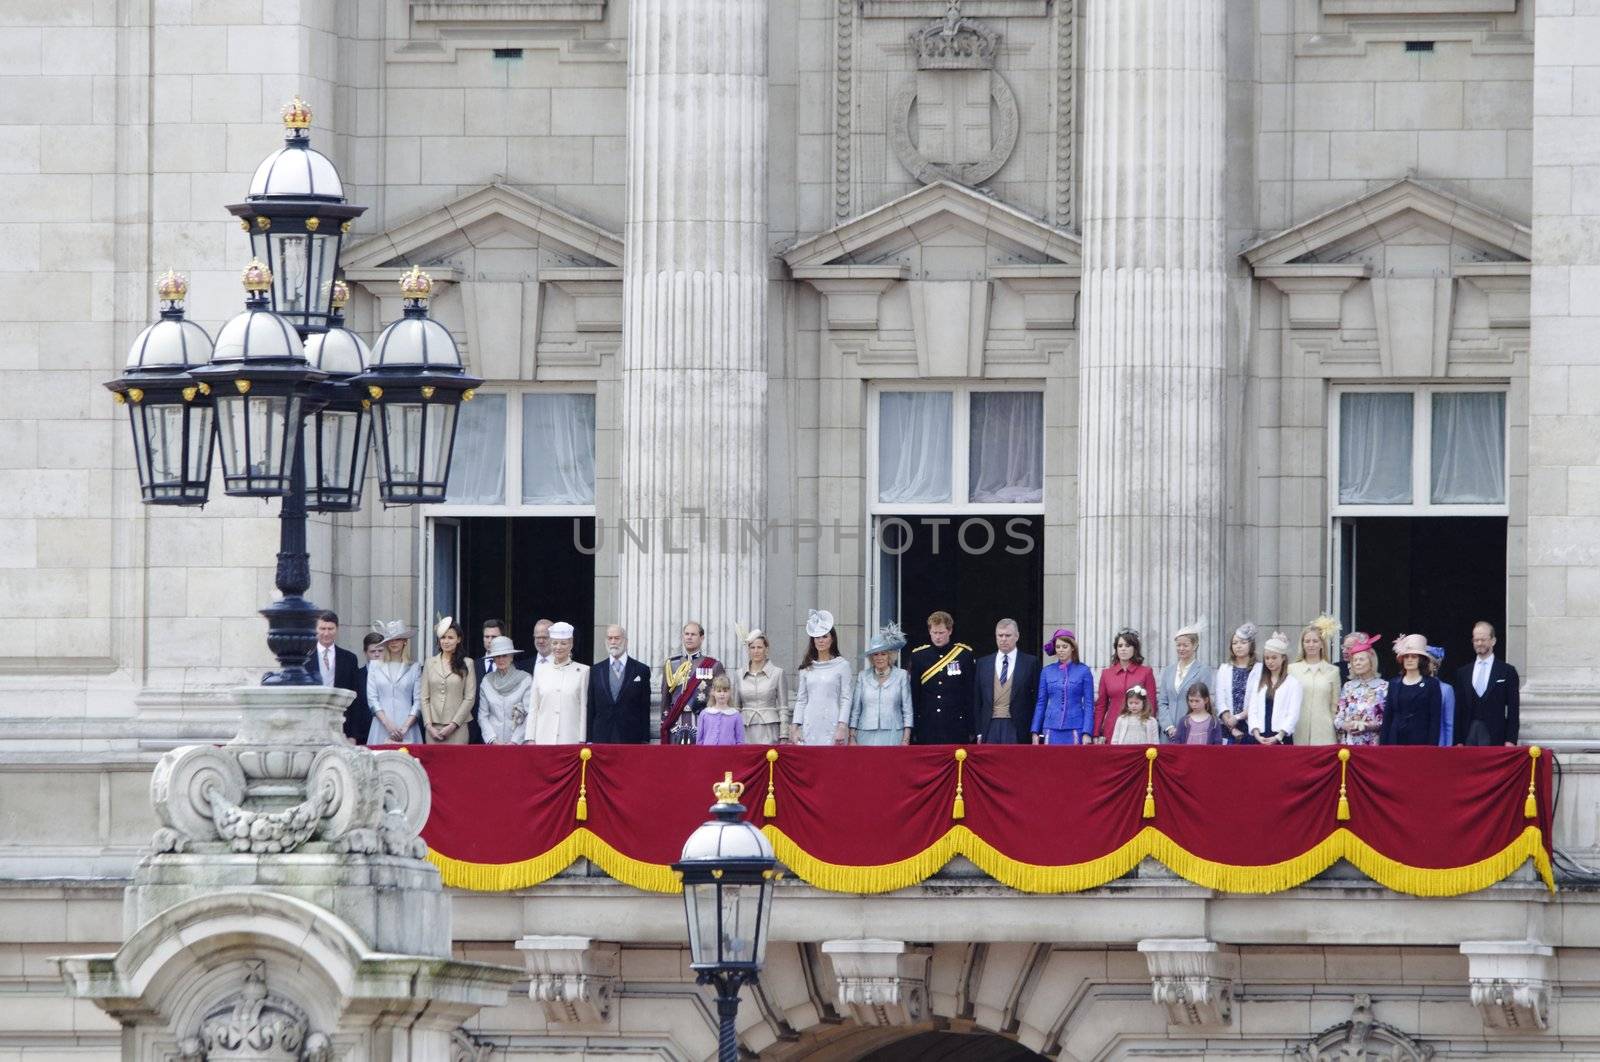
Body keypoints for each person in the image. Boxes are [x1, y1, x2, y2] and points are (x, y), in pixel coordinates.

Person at [908, 611, 977, 744]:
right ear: (929, 631)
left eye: (941, 633)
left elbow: (970, 694)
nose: (937, 637)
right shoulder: (919, 656)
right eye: (934, 633)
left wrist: (971, 727)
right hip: (928, 724)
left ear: (950, 631)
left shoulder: (963, 655)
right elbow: (915, 695)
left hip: (956, 724)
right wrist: (914, 728)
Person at [792, 610, 853, 746]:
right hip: (810, 723)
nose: (820, 640)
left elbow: (846, 698)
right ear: (813, 640)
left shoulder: (842, 665)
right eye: (817, 637)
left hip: (833, 723)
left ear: (832, 639)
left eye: (824, 636)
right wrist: (795, 726)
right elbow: (801, 700)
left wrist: (842, 726)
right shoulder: (806, 668)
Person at [1454, 621, 1520, 746]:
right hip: (1468, 735)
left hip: (1496, 736)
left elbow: (1513, 709)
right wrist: (1458, 740)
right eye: (1476, 640)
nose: (1479, 643)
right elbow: (1459, 709)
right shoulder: (1463, 673)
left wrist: (1511, 740)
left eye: (1483, 639)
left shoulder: (1507, 671)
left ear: (1493, 641)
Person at [975, 618, 1040, 745]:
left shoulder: (1030, 663)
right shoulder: (983, 663)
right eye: (1000, 635)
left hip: (1018, 726)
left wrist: (1035, 730)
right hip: (989, 726)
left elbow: (1037, 699)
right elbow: (977, 700)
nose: (1003, 639)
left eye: (1008, 635)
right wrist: (978, 731)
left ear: (1017, 636)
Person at [660, 621, 725, 744]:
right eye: (687, 634)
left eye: (693, 634)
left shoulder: (713, 665)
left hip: (702, 720)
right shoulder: (671, 664)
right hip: (676, 721)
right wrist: (665, 721)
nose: (689, 637)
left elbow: (721, 697)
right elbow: (665, 697)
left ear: (702, 638)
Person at [306, 610, 366, 744]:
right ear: (316, 629)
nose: (326, 633)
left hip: (342, 725)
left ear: (337, 629)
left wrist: (353, 735)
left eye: (330, 629)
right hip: (312, 726)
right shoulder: (304, 659)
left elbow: (355, 699)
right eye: (322, 628)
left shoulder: (349, 659)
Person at [850, 622, 913, 746]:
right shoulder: (863, 676)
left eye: (883, 654)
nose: (879, 658)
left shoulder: (902, 676)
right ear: (871, 657)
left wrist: (906, 738)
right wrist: (852, 736)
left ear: (890, 656)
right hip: (865, 734)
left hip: (894, 733)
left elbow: (907, 709)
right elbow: (856, 709)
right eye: (875, 654)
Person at [587, 624, 652, 744]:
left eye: (617, 638)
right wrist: (589, 739)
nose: (613, 642)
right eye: (609, 638)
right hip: (601, 736)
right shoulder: (595, 670)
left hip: (631, 737)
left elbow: (645, 707)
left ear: (625, 642)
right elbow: (591, 707)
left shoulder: (641, 670)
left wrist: (645, 739)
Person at [528, 621, 589, 744]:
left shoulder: (583, 671)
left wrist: (582, 739)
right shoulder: (540, 670)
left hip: (570, 738)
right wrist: (530, 738)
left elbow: (583, 708)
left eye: (563, 643)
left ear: (571, 644)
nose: (558, 647)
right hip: (543, 739)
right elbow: (534, 707)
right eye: (555, 643)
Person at [1032, 629, 1095, 745]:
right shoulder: (1047, 671)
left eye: (1064, 647)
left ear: (1072, 647)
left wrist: (1087, 732)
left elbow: (1089, 704)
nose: (1061, 650)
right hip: (1051, 728)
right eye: (1058, 647)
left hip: (1076, 728)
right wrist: (1035, 730)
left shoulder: (1084, 671)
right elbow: (1041, 702)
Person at [1093, 629, 1157, 743]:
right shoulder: (1106, 674)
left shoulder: (1146, 672)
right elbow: (1101, 706)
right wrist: (1096, 732)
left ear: (1135, 648)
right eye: (1120, 645)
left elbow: (1151, 704)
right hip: (1112, 728)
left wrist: (1149, 730)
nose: (1123, 649)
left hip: (1139, 729)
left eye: (1127, 645)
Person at [420, 618, 476, 745]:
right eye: (443, 637)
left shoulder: (468, 663)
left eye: (450, 637)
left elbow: (469, 698)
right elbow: (424, 697)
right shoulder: (429, 663)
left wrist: (453, 725)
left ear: (459, 639)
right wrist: (428, 725)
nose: (446, 641)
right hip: (433, 728)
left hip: (457, 728)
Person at [365, 620, 421, 745]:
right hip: (381, 725)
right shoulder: (375, 666)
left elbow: (418, 700)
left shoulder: (414, 667)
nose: (394, 642)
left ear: (405, 641)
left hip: (407, 726)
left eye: (398, 639)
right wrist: (387, 724)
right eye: (390, 639)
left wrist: (405, 727)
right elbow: (372, 699)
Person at [1382, 634, 1442, 746]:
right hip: (1395, 740)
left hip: (1421, 741)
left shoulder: (1432, 684)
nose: (1409, 660)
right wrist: (1383, 746)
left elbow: (1435, 719)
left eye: (1414, 657)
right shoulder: (1394, 683)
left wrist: (1432, 747)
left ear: (1421, 660)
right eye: (1406, 656)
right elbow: (1388, 717)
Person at [1289, 616, 1341, 747]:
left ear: (1322, 644)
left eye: (1315, 641)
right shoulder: (1292, 669)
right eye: (1307, 641)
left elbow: (1335, 705)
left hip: (1324, 731)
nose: (1311, 645)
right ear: (1302, 644)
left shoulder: (1333, 671)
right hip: (1298, 729)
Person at [1156, 622, 1210, 742]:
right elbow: (1163, 702)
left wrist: (1187, 725)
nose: (1181, 649)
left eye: (1185, 645)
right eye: (1178, 645)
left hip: (1192, 731)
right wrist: (1168, 727)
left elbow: (1204, 702)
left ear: (1195, 645)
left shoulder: (1203, 670)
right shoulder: (1169, 670)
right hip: (1168, 734)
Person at [1246, 632, 1302, 745]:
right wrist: (1256, 734)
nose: (1270, 661)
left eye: (1274, 658)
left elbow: (1293, 714)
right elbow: (1252, 710)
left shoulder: (1293, 683)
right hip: (1259, 737)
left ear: (1283, 658)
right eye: (1267, 658)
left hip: (1281, 738)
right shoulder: (1258, 682)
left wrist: (1279, 736)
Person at [735, 629, 788, 745]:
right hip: (745, 730)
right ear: (748, 650)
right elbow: (736, 708)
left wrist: (784, 734)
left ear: (766, 649)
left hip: (770, 729)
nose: (756, 651)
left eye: (759, 647)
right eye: (752, 647)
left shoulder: (778, 673)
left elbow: (783, 707)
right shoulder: (739, 674)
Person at [478, 635, 533, 745]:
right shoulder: (487, 681)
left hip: (518, 743)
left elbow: (530, 714)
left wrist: (514, 742)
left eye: (504, 656)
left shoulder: (526, 679)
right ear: (493, 659)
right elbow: (482, 715)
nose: (501, 659)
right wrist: (492, 740)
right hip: (494, 744)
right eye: (497, 656)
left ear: (511, 657)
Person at [1334, 631, 1386, 747]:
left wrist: (1367, 726)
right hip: (1347, 746)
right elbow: (1338, 718)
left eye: (1361, 660)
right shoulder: (1348, 687)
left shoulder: (1383, 687)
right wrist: (1345, 725)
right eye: (1355, 660)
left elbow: (1387, 720)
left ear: (1371, 662)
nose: (1357, 663)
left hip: (1373, 746)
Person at [1215, 623, 1261, 744]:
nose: (1238, 646)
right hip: (1227, 726)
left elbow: (1257, 700)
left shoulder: (1260, 669)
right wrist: (1231, 726)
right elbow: (1220, 700)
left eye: (1242, 642)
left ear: (1251, 645)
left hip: (1251, 726)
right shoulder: (1224, 668)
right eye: (1235, 643)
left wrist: (1238, 717)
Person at [469, 618, 507, 744]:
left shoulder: (512, 667)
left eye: (494, 637)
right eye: (487, 636)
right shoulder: (472, 665)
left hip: (502, 731)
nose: (490, 640)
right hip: (475, 732)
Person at [352, 632, 383, 746]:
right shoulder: (357, 676)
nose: (376, 654)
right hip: (363, 734)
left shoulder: (392, 675)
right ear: (365, 653)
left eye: (380, 651)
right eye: (372, 651)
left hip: (388, 732)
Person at [694, 676, 745, 745]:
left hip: (729, 754)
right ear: (713, 692)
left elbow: (740, 740)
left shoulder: (735, 715)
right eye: (719, 691)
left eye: (725, 691)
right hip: (708, 753)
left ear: (729, 692)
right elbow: (699, 739)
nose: (722, 694)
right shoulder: (705, 714)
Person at [1428, 645, 1456, 746]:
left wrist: (1447, 750)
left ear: (1435, 665)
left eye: (1427, 661)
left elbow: (1449, 724)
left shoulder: (1446, 689)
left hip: (1439, 745)